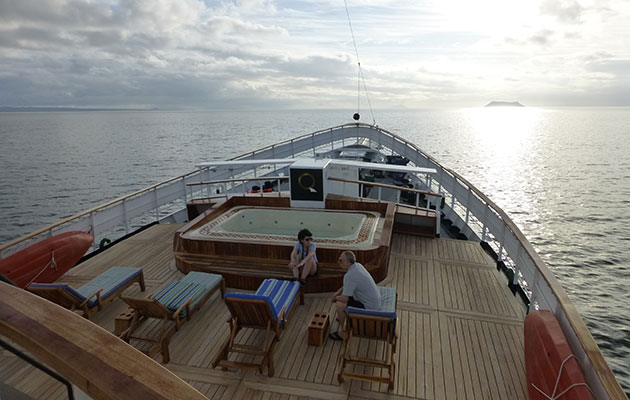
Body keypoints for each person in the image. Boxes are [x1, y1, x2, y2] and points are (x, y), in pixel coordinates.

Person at [329, 250, 381, 340]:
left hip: (369, 307)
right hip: (373, 301)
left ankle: (343, 333)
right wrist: (337, 293)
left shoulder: (350, 275)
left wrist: (335, 298)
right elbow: (347, 286)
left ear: (348, 262)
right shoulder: (357, 266)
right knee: (342, 299)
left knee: (340, 304)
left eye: (341, 260)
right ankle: (343, 317)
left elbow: (345, 298)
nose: (338, 262)